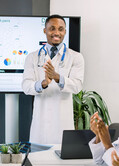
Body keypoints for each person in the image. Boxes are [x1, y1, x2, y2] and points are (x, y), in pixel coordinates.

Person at [22, 14, 84, 144]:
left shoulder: (76, 57)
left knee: (61, 161)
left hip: (62, 123)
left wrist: (56, 77)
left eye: (61, 29)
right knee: (38, 160)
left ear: (65, 32)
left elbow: (77, 86)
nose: (56, 33)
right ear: (45, 31)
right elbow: (26, 86)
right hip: (40, 124)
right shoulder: (32, 57)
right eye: (52, 28)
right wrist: (44, 83)